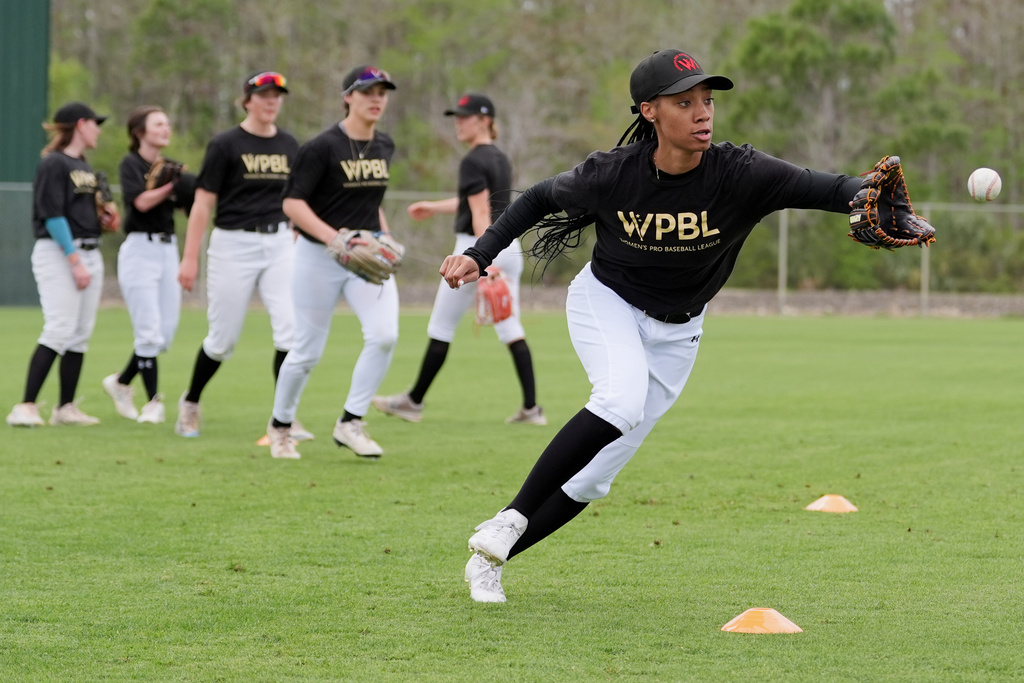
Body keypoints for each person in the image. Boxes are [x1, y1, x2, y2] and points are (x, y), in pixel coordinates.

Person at [440, 49, 885, 603]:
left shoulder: (741, 172)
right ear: (649, 111)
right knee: (620, 400)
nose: (703, 113)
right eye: (684, 102)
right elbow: (535, 199)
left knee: (593, 480)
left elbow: (829, 187)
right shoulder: (612, 174)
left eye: (707, 100)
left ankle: (489, 561)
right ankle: (510, 517)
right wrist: (480, 255)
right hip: (609, 303)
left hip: (681, 331)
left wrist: (870, 199)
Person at [371, 93, 545, 426]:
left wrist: (485, 259)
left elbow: (480, 212)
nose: (458, 123)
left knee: (441, 325)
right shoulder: (499, 158)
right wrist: (433, 207)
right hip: (510, 244)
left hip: (478, 248)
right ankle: (532, 409)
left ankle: (414, 401)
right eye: (457, 116)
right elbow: (476, 203)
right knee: (510, 326)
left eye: (465, 117)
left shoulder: (472, 160)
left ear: (485, 120)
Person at [265, 65, 400, 460]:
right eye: (367, 92)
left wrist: (385, 236)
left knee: (385, 335)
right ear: (348, 98)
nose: (376, 99)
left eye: (382, 92)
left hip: (366, 254)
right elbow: (292, 203)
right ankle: (280, 427)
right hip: (318, 256)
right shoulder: (321, 147)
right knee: (306, 350)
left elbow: (371, 203)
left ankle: (351, 422)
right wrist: (335, 238)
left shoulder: (384, 145)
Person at [175, 71, 311, 441]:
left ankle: (284, 418)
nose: (271, 101)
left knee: (290, 332)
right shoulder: (225, 144)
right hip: (233, 245)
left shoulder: (289, 144)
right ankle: (191, 402)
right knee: (222, 341)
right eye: (264, 94)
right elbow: (203, 203)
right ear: (247, 100)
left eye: (277, 95)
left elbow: (296, 198)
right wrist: (189, 258)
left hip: (280, 242)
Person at [7, 102, 120, 427]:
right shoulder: (53, 163)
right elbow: (52, 214)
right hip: (59, 253)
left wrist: (104, 219)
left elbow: (80, 212)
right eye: (95, 123)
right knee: (59, 327)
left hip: (89, 250)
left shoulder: (82, 164)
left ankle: (65, 408)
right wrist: (74, 260)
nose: (98, 129)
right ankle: (25, 406)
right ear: (80, 124)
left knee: (79, 334)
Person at [102, 106, 195, 424]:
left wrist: (189, 190)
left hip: (167, 251)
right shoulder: (131, 163)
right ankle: (154, 402)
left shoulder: (170, 167)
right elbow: (139, 201)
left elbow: (186, 208)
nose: (165, 129)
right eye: (158, 124)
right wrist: (171, 186)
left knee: (164, 334)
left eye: (167, 123)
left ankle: (121, 381)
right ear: (140, 132)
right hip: (140, 250)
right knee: (149, 332)